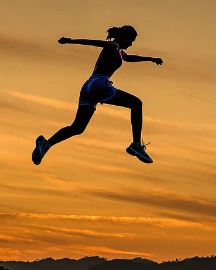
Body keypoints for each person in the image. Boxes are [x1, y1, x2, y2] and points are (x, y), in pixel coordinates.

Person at [32, 25, 163, 166]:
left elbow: (129, 58)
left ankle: (47, 144)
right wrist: (70, 40)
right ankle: (136, 144)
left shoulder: (118, 51)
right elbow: (93, 42)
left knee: (77, 127)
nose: (131, 43)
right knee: (136, 103)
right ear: (125, 37)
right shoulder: (113, 45)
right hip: (100, 84)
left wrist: (150, 58)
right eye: (131, 40)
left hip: (88, 87)